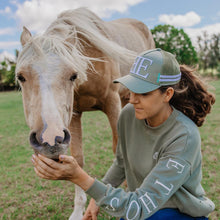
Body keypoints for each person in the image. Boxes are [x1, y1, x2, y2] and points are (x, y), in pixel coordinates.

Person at [32, 48, 216, 220]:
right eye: (132, 88)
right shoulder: (129, 114)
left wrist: (79, 177)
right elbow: (121, 162)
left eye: (143, 92)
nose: (132, 98)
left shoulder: (184, 137)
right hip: (145, 207)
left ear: (167, 94)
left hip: (178, 212)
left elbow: (138, 207)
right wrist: (96, 198)